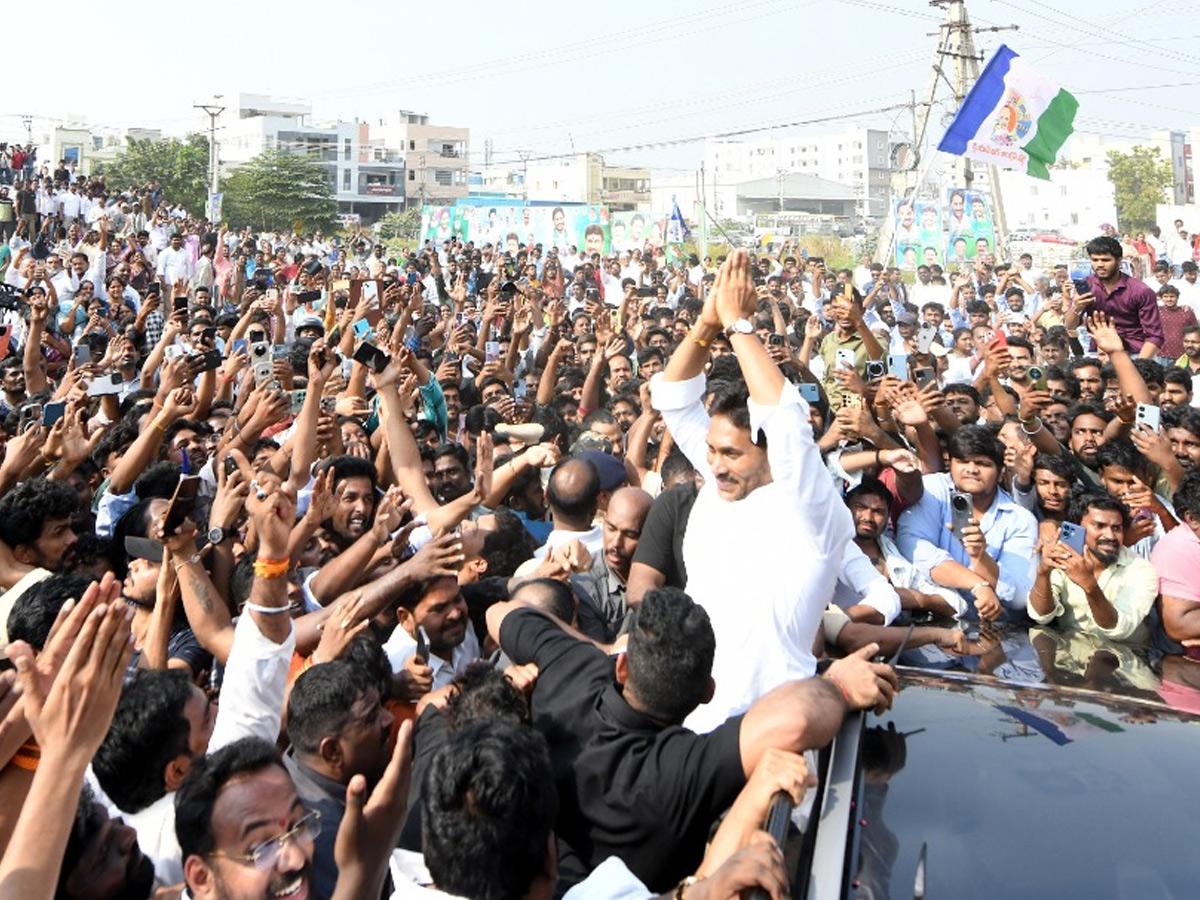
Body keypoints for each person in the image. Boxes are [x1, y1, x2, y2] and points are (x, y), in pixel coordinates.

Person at [486, 586, 896, 891]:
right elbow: (792, 723)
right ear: (707, 693)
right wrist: (837, 687)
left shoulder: (570, 664)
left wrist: (598, 648)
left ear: (624, 667)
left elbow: (502, 611)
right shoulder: (682, 769)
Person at [652, 250, 856, 732]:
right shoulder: (717, 480)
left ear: (767, 454)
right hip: (690, 726)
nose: (714, 465)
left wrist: (739, 326)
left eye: (731, 454)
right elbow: (674, 399)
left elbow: (785, 421)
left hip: (773, 735)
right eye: (711, 451)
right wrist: (708, 323)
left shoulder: (811, 511)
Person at [897, 426, 1038, 621]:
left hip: (994, 627)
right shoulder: (931, 489)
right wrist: (977, 584)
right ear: (951, 464)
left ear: (1000, 474)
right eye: (963, 461)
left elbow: (1019, 597)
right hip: (928, 619)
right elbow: (912, 547)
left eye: (983, 463)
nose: (971, 469)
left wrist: (980, 556)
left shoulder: (1020, 519)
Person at [1028, 492, 1158, 643]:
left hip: (1127, 654)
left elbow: (1120, 630)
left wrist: (1089, 585)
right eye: (1099, 526)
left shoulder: (1141, 570)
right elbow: (1040, 616)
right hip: (1072, 651)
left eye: (1116, 528)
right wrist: (1043, 573)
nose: (1110, 536)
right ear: (1078, 528)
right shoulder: (1064, 557)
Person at [1068, 235, 1164, 359]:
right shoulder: (1086, 286)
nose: (1100, 264)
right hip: (1099, 353)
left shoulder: (1141, 291)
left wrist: (1139, 365)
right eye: (1095, 260)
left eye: (1105, 260)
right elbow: (1070, 326)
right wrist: (1076, 307)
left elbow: (1155, 336)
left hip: (1134, 354)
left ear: (1119, 261)